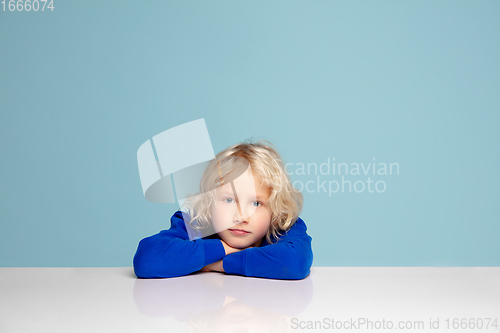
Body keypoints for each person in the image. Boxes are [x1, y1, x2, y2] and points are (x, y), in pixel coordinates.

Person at [133, 140, 313, 280]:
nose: (241, 216)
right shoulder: (197, 221)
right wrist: (223, 248)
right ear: (209, 202)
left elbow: (294, 262)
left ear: (275, 210)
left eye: (256, 203)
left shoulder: (283, 225)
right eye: (229, 200)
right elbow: (147, 259)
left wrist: (217, 265)